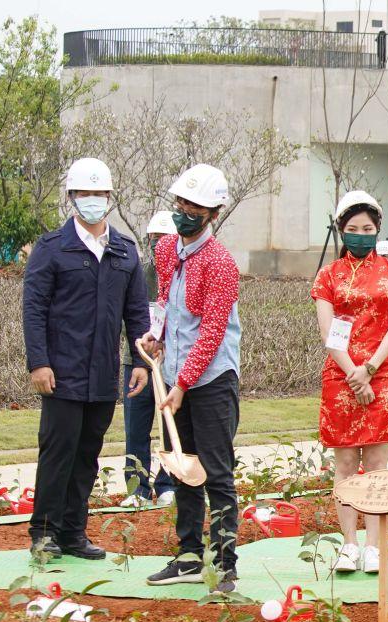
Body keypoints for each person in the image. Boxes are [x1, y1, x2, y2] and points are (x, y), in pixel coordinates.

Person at [23, 157, 150, 559]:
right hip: (60, 372)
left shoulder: (124, 252)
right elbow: (34, 309)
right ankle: (43, 533)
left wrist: (142, 362)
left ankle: (73, 534)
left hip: (101, 374)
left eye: (99, 193)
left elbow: (137, 314)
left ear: (109, 198)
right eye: (84, 193)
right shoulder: (51, 249)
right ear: (72, 197)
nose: (92, 200)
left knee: (87, 456)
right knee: (58, 451)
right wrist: (38, 362)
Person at [142, 164, 243, 593]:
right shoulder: (167, 249)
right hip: (173, 373)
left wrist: (182, 385)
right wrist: (155, 334)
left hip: (212, 379)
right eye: (181, 203)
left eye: (194, 207)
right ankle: (187, 555)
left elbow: (212, 330)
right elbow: (166, 299)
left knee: (215, 471)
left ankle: (224, 565)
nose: (184, 212)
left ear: (213, 213)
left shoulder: (221, 263)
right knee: (181, 465)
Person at [310, 190, 388, 574]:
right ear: (341, 230)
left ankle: (374, 544)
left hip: (381, 373)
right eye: (352, 228)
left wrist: (368, 369)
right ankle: (349, 544)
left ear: (377, 230)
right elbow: (328, 331)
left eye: (367, 228)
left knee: (377, 460)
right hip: (340, 375)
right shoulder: (328, 276)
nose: (360, 234)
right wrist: (353, 373)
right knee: (346, 460)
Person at [120, 211, 178, 509]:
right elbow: (129, 319)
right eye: (154, 240)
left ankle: (168, 483)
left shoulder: (183, 275)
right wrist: (140, 355)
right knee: (136, 425)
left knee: (170, 424)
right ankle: (137, 487)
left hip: (172, 363)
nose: (159, 246)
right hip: (137, 361)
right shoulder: (138, 275)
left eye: (165, 240)